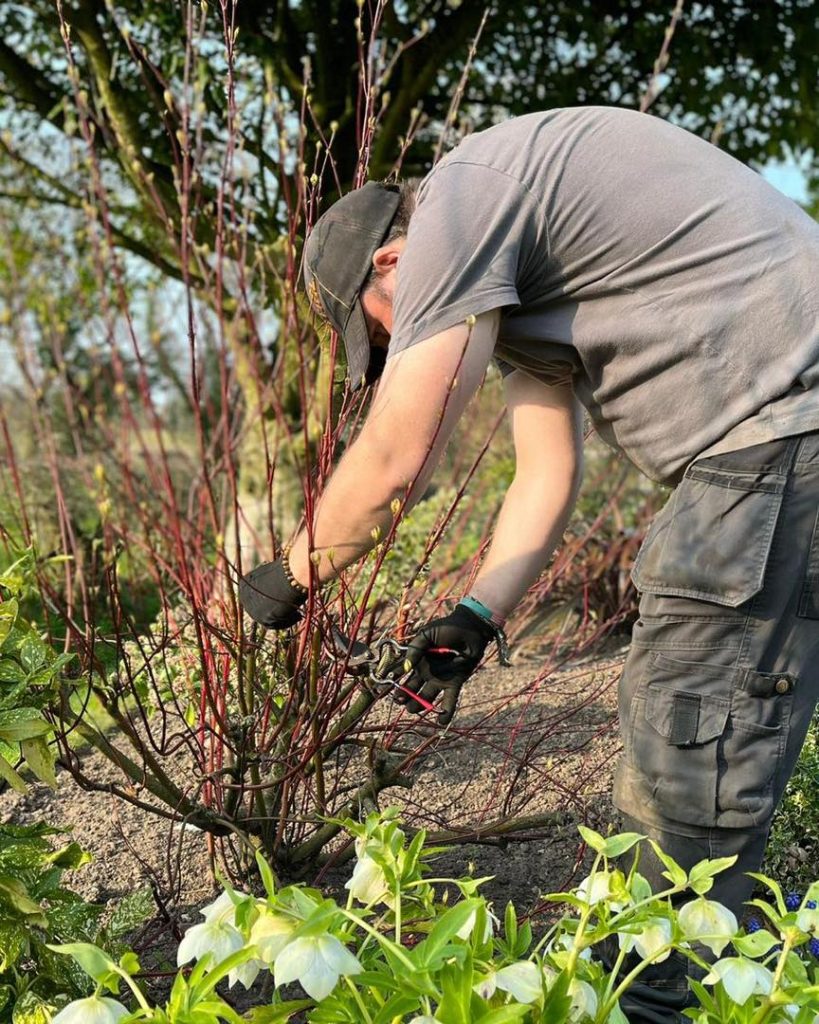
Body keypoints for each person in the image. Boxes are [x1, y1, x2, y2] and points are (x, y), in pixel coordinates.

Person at [239, 106, 819, 1021]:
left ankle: (654, 1000)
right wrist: (474, 617)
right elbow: (546, 474)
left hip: (782, 435)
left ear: (392, 265)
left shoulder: (463, 203)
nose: (396, 352)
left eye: (385, 335)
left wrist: (288, 578)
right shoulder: (521, 275)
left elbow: (399, 456)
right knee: (709, 719)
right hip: (786, 438)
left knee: (687, 739)